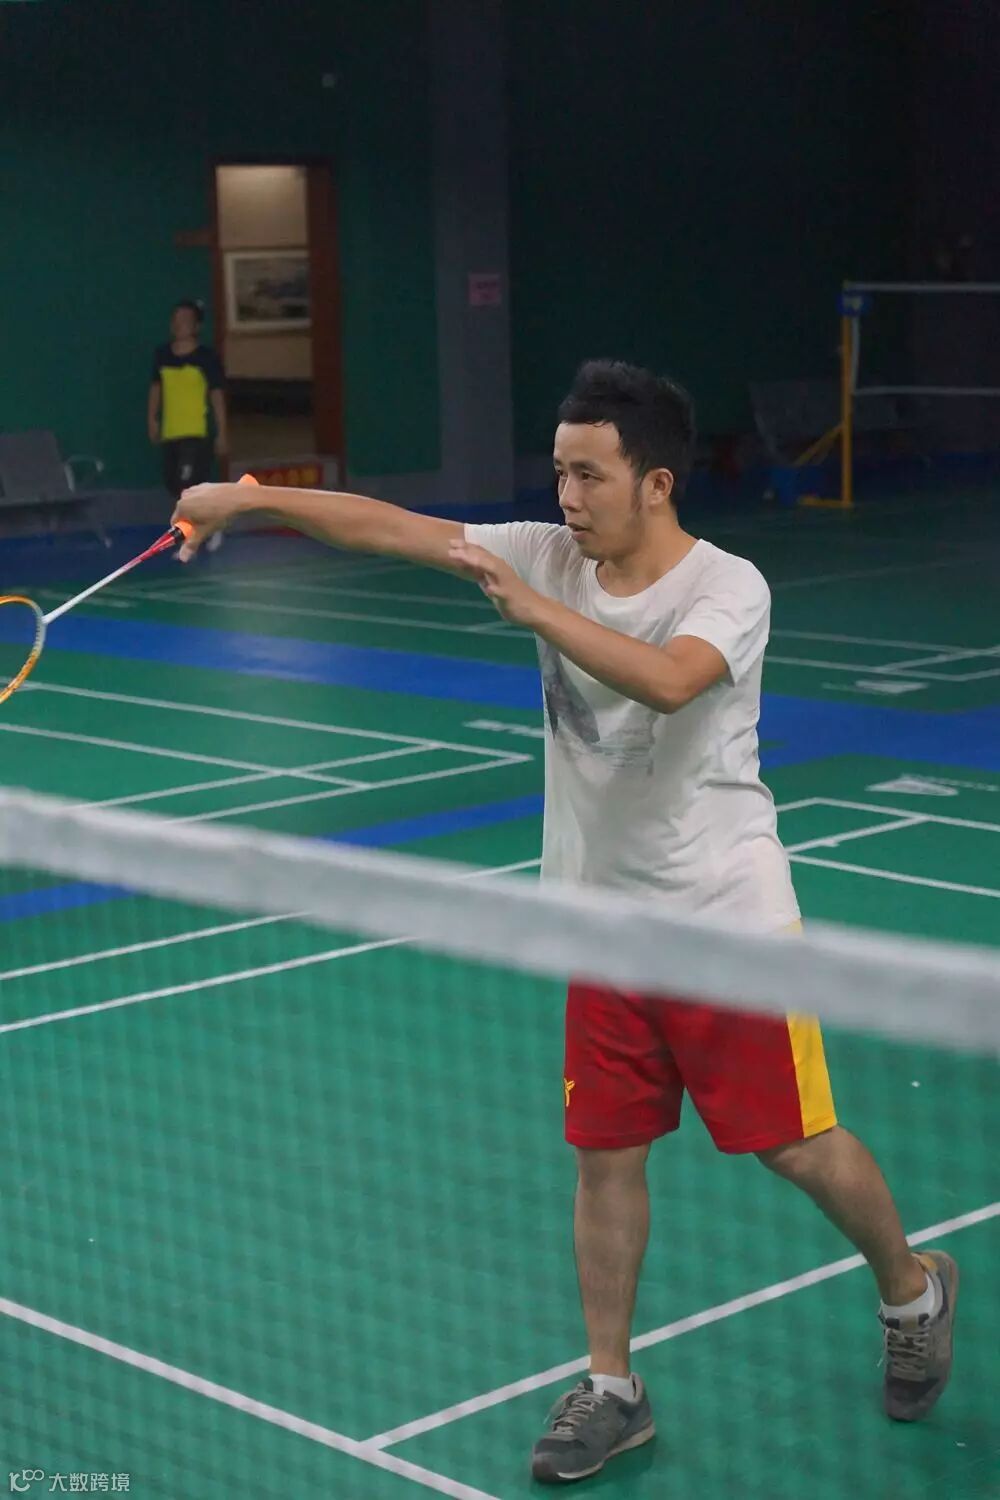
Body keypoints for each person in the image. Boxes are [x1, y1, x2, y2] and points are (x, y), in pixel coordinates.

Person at [171, 361, 958, 1485]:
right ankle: (612, 1388)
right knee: (605, 1157)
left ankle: (911, 1291)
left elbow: (672, 681)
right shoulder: (547, 552)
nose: (566, 497)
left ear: (656, 483)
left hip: (724, 924)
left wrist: (537, 609)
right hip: (601, 923)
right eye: (558, 473)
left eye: (589, 475)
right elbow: (389, 526)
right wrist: (245, 501)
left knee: (795, 1145)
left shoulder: (725, 587)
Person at [149, 300, 228, 551]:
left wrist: (222, 431)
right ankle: (205, 525)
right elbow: (156, 389)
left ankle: (203, 531)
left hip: (196, 432)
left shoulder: (207, 357)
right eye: (176, 319)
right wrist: (152, 419)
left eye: (186, 319)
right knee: (174, 486)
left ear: (196, 326)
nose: (180, 324)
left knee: (189, 486)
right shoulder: (162, 355)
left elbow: (216, 395)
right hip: (171, 431)